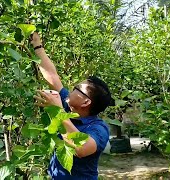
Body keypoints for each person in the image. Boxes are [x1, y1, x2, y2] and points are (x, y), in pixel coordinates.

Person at [31, 32, 115, 180]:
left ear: (85, 102)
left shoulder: (99, 129)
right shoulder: (69, 106)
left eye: (77, 89)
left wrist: (58, 111)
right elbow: (53, 77)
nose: (71, 90)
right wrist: (38, 46)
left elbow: (81, 148)